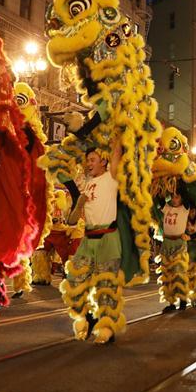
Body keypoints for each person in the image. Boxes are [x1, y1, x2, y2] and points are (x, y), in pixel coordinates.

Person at [62, 137, 124, 343]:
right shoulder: (86, 183)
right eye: (87, 160)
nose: (88, 163)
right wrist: (78, 204)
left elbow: (116, 151)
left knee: (107, 287)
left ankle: (106, 329)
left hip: (108, 238)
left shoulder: (111, 178)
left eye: (92, 159)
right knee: (74, 281)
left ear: (104, 161)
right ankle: (89, 316)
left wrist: (118, 126)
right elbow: (71, 221)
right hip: (87, 239)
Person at [159, 191, 191, 312]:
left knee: (179, 272)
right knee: (167, 273)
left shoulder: (184, 209)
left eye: (177, 196)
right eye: (172, 196)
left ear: (182, 199)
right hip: (167, 243)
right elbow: (159, 196)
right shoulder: (167, 207)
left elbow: (185, 190)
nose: (174, 199)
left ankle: (183, 300)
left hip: (179, 243)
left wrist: (177, 180)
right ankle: (171, 302)